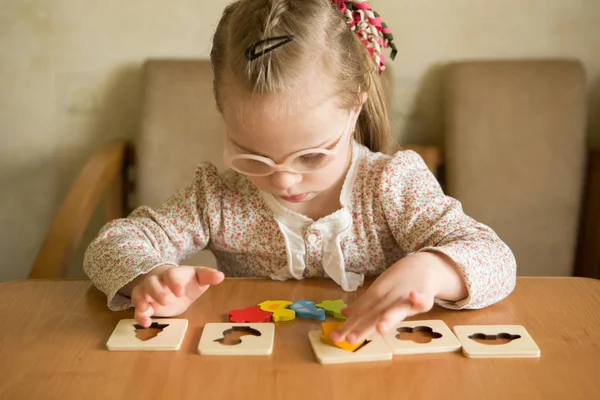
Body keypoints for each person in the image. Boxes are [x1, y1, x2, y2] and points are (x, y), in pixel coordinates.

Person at [83, 0, 517, 345]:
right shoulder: (215, 197)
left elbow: (496, 259)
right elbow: (110, 245)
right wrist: (148, 277)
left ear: (355, 108)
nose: (284, 181)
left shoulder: (392, 185)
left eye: (310, 157)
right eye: (252, 157)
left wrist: (434, 268)